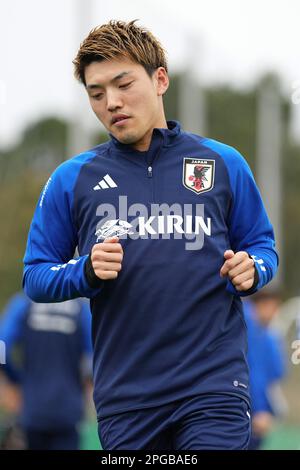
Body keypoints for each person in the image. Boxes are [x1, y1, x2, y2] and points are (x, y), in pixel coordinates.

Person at [23, 20, 278, 450]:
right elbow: (35, 275)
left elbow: (263, 247)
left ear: (160, 79)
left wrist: (253, 269)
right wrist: (84, 271)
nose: (112, 103)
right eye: (96, 93)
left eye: (123, 84)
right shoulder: (72, 178)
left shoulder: (224, 163)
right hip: (127, 401)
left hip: (214, 390)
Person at [0, 292, 93, 450]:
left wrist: (16, 379)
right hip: (68, 409)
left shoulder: (23, 305)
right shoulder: (81, 310)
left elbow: (2, 347)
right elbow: (94, 357)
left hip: (32, 408)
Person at [243, 291, 287, 450]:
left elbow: (275, 374)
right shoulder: (248, 328)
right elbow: (253, 374)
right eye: (273, 307)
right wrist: (259, 410)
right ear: (261, 305)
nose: (275, 313)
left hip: (254, 414)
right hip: (245, 413)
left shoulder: (268, 334)